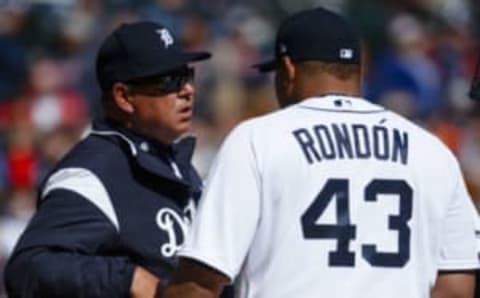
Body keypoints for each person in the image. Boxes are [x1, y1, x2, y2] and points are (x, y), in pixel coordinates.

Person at [162, 7, 480, 298]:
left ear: (287, 69)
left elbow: (199, 284)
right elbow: (455, 288)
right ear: (358, 68)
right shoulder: (431, 150)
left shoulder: (258, 139)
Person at [4, 21, 211, 298]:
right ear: (124, 97)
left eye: (187, 76)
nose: (187, 90)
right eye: (168, 81)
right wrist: (129, 279)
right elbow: (29, 267)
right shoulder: (91, 174)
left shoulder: (174, 162)